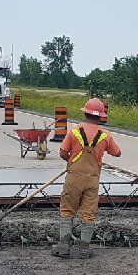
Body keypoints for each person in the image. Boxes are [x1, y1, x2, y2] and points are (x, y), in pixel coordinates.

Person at [53, 98, 121, 259]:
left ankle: (63, 246)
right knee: (88, 214)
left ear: (85, 113)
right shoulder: (105, 135)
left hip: (74, 178)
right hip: (92, 180)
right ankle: (84, 248)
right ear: (101, 117)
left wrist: (71, 161)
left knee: (67, 210)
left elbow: (62, 152)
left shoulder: (75, 131)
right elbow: (117, 153)